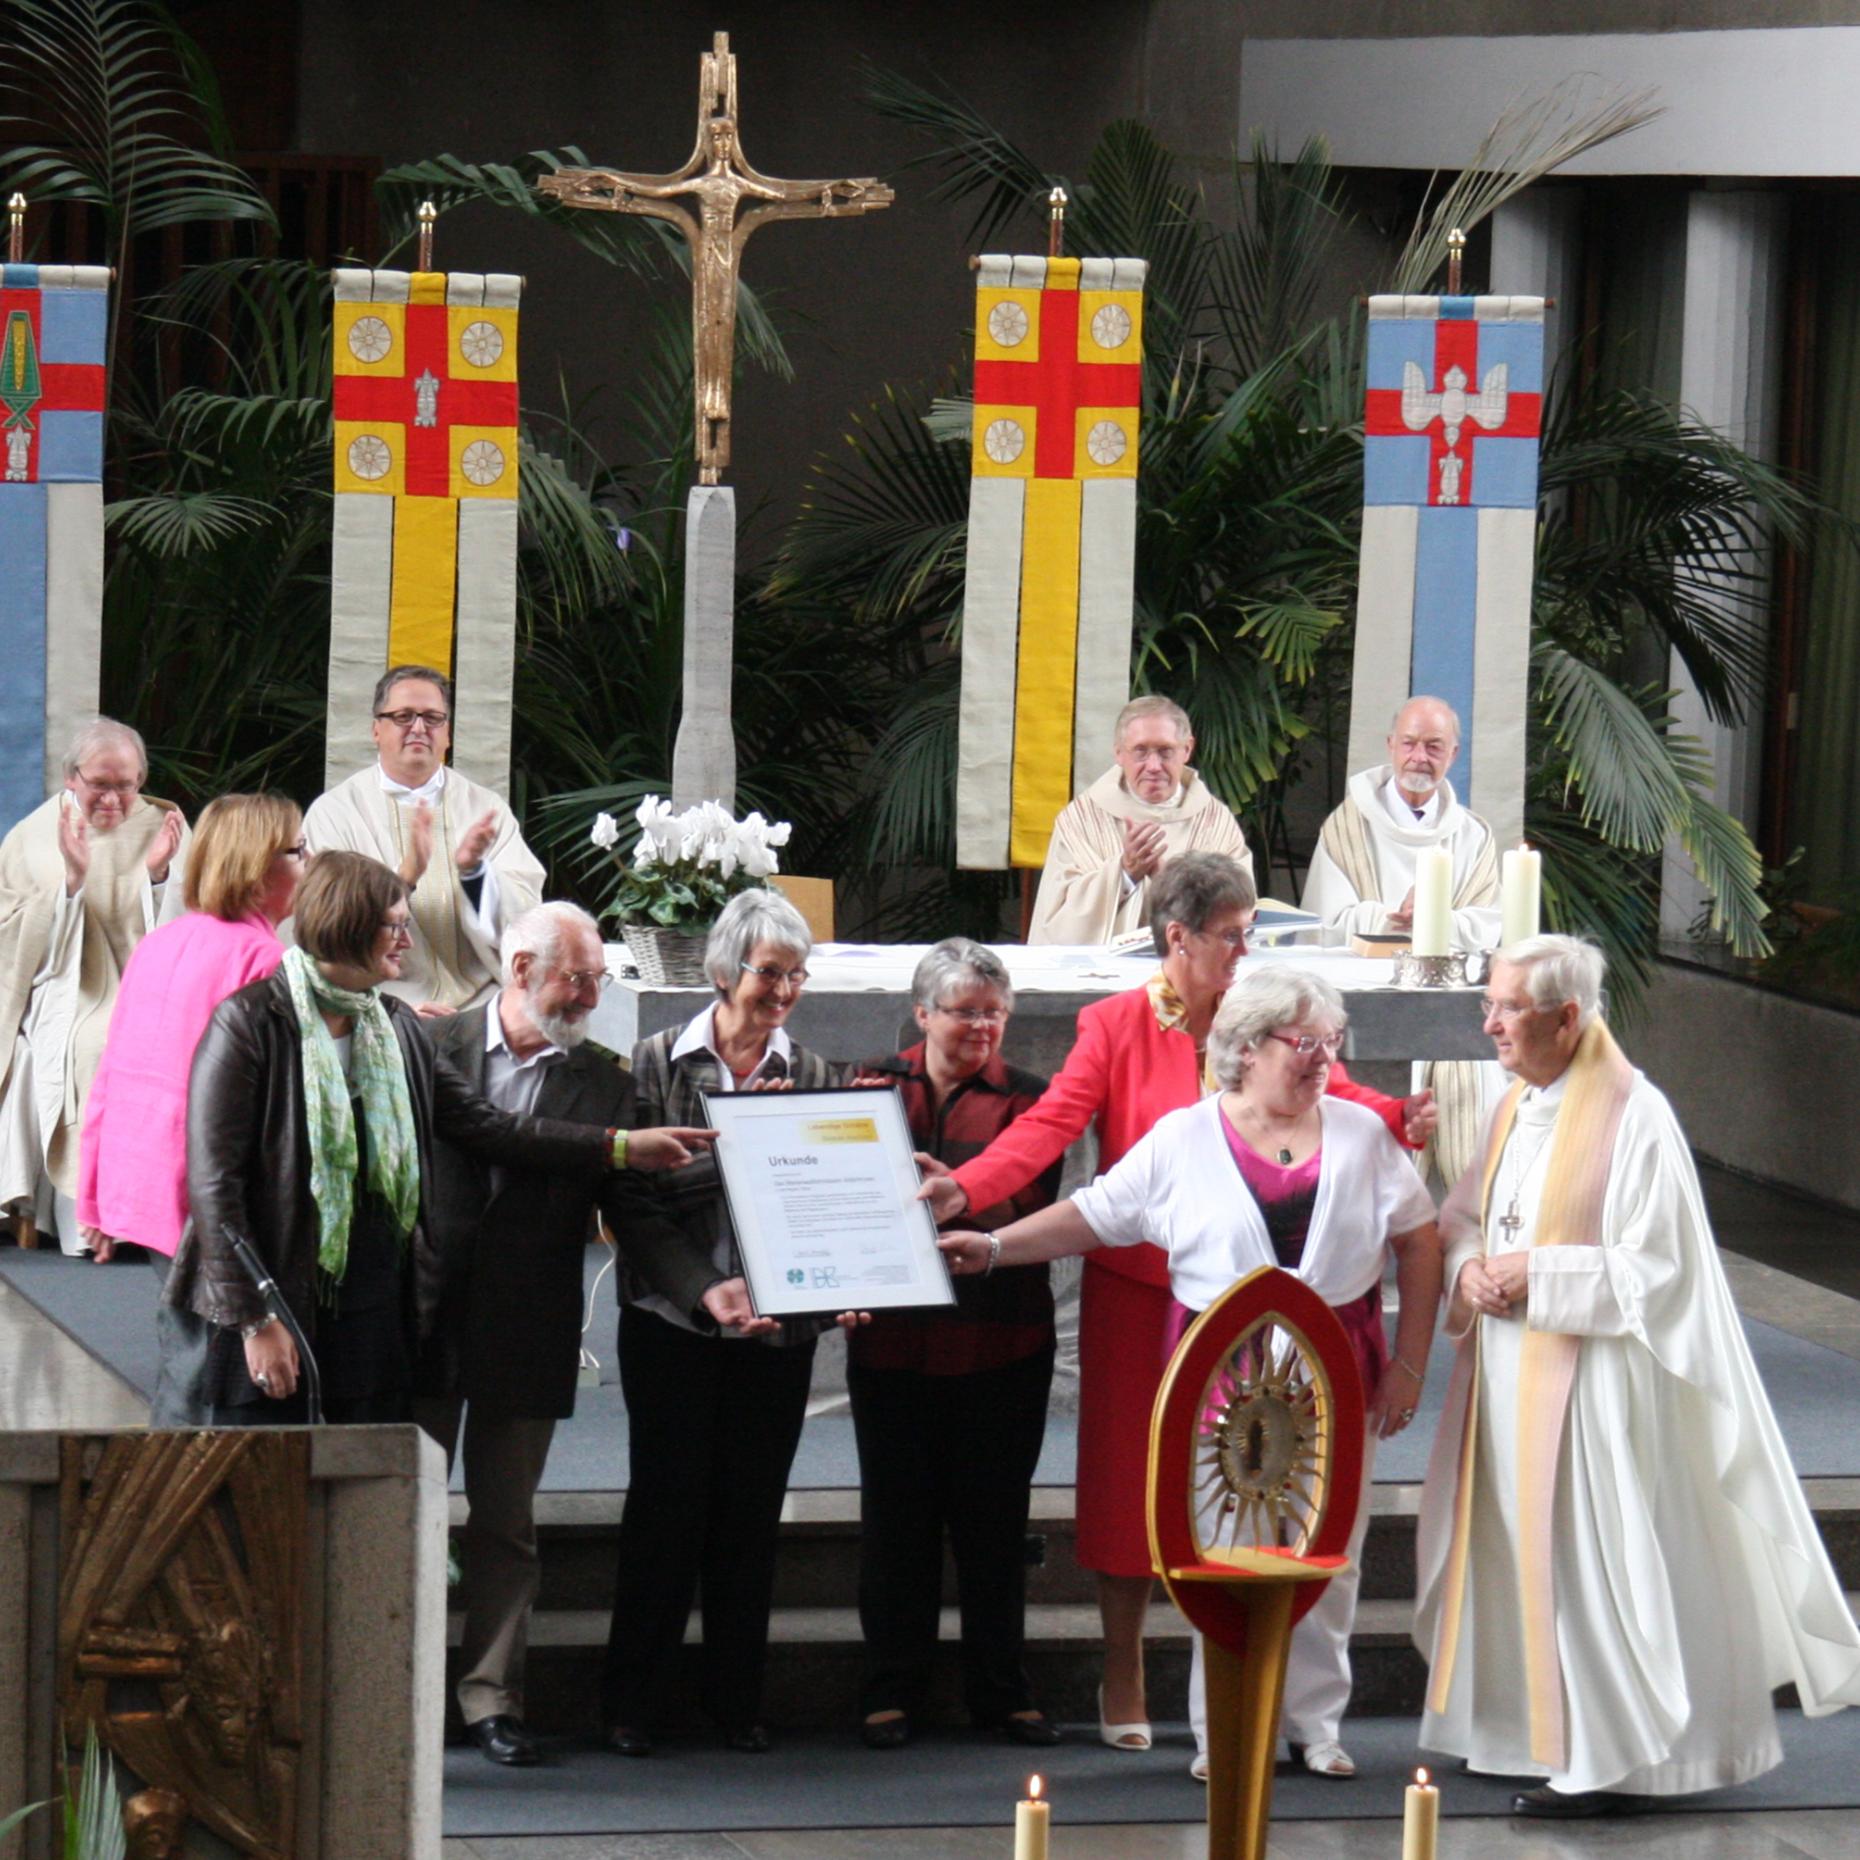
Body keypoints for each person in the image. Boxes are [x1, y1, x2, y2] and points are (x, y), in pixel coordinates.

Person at [919, 853, 1434, 1757]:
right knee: (1161, 1502)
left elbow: (1342, 1099)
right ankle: (1146, 1677)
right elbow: (1061, 1150)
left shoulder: (1294, 1041)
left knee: (1317, 1527)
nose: (1243, 950)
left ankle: (1310, 1721)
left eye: (1248, 936)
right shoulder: (1120, 1028)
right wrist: (972, 1197)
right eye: (1230, 937)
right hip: (1153, 1303)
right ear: (1178, 938)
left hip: (1303, 1333)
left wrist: (1396, 1114)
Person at [1413, 935, 1860, 1817]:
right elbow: (1463, 1214)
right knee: (1511, 1549)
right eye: (1490, 1002)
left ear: (1567, 1017)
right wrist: (1468, 1265)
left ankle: (1611, 1759)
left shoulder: (1633, 1114)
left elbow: (1659, 1269)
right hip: (1507, 1372)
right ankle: (1516, 1733)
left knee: (1586, 1562)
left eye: (1507, 1006)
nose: (1489, 1021)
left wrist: (1538, 1272)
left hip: (1595, 1386)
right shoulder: (1516, 1105)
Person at [159, 852, 711, 1426]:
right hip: (278, 1286)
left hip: (371, 1297)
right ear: (349, 923)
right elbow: (213, 1185)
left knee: (360, 1488)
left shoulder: (396, 1026)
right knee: (267, 1486)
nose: (406, 941)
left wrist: (620, 1147)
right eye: (394, 925)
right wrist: (255, 1318)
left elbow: (487, 1126)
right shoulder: (249, 1022)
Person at [419, 901, 767, 1769]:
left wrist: (703, 1290)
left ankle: (490, 1700)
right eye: (576, 977)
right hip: (419, 1318)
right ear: (520, 968)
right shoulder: (429, 1048)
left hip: (527, 1325)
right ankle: (399, 1684)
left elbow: (637, 1213)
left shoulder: (607, 1085)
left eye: (598, 979)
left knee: (507, 1526)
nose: (588, 995)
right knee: (406, 1513)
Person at [600, 888, 854, 1757]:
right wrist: (706, 1287)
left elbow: (825, 1209)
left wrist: (842, 1285)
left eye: (796, 975)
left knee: (751, 1516)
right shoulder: (653, 1064)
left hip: (777, 1338)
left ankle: (736, 1700)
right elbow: (631, 1205)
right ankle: (635, 1703)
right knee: (665, 1511)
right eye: (768, 973)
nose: (783, 991)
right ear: (721, 973)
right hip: (674, 1325)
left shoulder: (815, 1077)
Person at [851, 939, 1062, 1752]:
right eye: (965, 1010)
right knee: (895, 1520)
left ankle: (1001, 1692)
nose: (982, 1026)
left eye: (995, 1012)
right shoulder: (870, 1087)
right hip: (894, 1344)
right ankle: (888, 1689)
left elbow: (1033, 1211)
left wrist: (963, 1197)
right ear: (923, 1013)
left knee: (995, 1523)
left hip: (1000, 1342)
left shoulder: (1032, 1098)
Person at [77, 793, 305, 1272]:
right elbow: (270, 1106)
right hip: (213, 1201)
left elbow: (110, 1078)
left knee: (182, 1343)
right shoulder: (263, 961)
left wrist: (93, 1196)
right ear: (259, 867)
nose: (309, 863)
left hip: (145, 1180)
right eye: (298, 850)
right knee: (221, 1346)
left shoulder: (159, 943)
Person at [0, 719, 189, 1253]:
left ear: (142, 778)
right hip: (66, 987)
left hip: (152, 986)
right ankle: (97, 1219)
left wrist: (156, 878)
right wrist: (71, 883)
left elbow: (190, 921)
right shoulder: (36, 834)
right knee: (98, 1044)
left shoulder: (166, 827)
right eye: (98, 784)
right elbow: (11, 934)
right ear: (71, 778)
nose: (112, 797)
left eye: (125, 785)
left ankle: (150, 1214)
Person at [1300, 695, 1503, 1184]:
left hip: (1445, 999)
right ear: (1391, 746)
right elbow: (1323, 925)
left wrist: (1436, 918)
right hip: (1362, 1006)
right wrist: (1396, 918)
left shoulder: (1472, 836)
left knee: (1475, 1087)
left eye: (1434, 746)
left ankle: (1461, 1226)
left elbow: (1490, 925)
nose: (1420, 757)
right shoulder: (1347, 828)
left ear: (1453, 754)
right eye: (1410, 743)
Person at [303, 665, 543, 1011]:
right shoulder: (335, 814)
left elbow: (527, 921)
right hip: (381, 1004)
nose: (418, 728)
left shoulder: (486, 809)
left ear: (447, 734)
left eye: (432, 718)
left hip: (488, 1004)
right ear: (376, 730)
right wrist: (404, 878)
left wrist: (476, 876)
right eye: (403, 716)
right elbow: (325, 932)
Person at [1028, 695, 1254, 945]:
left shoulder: (1215, 823)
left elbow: (1239, 908)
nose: (1154, 765)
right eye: (1141, 751)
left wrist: (1166, 879)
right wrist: (1124, 873)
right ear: (1119, 753)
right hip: (1104, 979)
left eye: (1165, 751)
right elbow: (1056, 920)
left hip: (1192, 979)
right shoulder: (1081, 820)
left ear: (1187, 749)